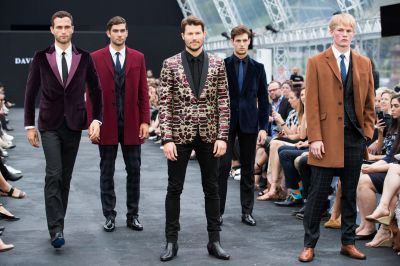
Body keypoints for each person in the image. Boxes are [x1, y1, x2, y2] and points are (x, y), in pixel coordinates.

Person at [298, 13, 375, 262]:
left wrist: (367, 133)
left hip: (354, 138)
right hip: (325, 140)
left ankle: (348, 243)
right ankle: (309, 245)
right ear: (331, 32)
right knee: (318, 194)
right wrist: (315, 138)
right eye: (340, 30)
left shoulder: (364, 63)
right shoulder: (316, 62)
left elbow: (369, 104)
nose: (344, 34)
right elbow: (311, 103)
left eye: (349, 31)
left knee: (349, 194)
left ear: (353, 34)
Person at [24, 10, 103, 248]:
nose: (63, 31)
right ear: (52, 30)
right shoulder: (41, 57)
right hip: (49, 124)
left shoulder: (84, 57)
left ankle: (60, 224)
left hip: (74, 125)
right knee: (54, 174)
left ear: (72, 28)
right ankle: (55, 229)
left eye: (67, 27)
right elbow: (30, 92)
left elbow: (96, 90)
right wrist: (29, 125)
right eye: (59, 27)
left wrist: (96, 120)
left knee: (65, 178)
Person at [158, 15, 230, 261]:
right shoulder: (170, 64)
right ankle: (171, 241)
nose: (194, 37)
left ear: (204, 34)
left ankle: (214, 241)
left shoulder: (218, 64)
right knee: (174, 189)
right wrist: (166, 138)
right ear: (183, 36)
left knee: (212, 189)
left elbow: (223, 102)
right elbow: (164, 104)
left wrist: (222, 136)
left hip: (210, 136)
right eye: (189, 33)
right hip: (178, 135)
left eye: (198, 32)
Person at [88, 16, 149, 232]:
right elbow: (91, 94)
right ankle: (109, 215)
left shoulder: (138, 57)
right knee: (107, 171)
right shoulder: (95, 58)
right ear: (108, 33)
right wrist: (93, 122)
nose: (120, 34)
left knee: (135, 170)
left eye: (123, 30)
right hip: (107, 125)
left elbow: (143, 92)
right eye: (116, 30)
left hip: (132, 123)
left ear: (127, 32)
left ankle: (133, 215)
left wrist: (145, 120)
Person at [218, 25, 268, 227]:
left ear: (249, 41)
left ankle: (247, 212)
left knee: (248, 168)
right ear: (232, 42)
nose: (241, 44)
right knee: (221, 169)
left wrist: (263, 126)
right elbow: (215, 97)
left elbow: (264, 100)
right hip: (225, 122)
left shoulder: (258, 68)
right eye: (237, 40)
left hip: (249, 123)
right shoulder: (222, 66)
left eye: (244, 40)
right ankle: (218, 212)